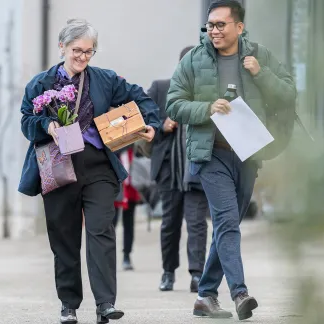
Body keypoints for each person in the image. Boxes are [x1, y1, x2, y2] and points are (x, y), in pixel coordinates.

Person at [18, 18, 160, 324]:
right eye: (77, 50)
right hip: (56, 165)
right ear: (62, 47)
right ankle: (68, 305)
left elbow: (141, 97)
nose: (82, 57)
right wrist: (47, 125)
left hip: (97, 166)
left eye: (89, 51)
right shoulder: (41, 84)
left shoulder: (105, 79)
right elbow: (26, 121)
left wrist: (151, 124)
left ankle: (105, 303)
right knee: (65, 237)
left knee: (101, 231)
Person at [167, 0, 296, 320]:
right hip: (211, 154)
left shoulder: (260, 56)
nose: (214, 30)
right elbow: (173, 104)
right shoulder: (194, 60)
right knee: (226, 222)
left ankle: (206, 296)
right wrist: (206, 108)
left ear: (239, 27)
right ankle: (240, 293)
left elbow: (288, 94)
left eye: (221, 24)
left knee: (228, 226)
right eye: (210, 25)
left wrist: (261, 74)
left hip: (248, 153)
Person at [148, 46, 210, 294]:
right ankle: (168, 272)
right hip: (169, 171)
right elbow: (142, 119)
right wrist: (162, 125)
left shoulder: (207, 93)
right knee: (170, 224)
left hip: (196, 170)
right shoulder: (161, 89)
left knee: (196, 224)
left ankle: (197, 274)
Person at [112, 146, 140, 271]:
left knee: (129, 221)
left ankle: (127, 255)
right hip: (114, 179)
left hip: (130, 180)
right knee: (111, 222)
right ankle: (108, 255)